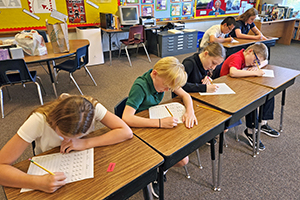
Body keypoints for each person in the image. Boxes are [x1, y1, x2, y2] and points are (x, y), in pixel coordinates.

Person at [0, 93, 133, 193]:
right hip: (48, 170)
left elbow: (126, 132)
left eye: (78, 136)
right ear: (54, 122)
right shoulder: (39, 120)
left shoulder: (90, 108)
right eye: (63, 136)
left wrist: (85, 143)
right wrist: (37, 182)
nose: (69, 141)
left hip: (81, 168)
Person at [122, 56, 198, 198]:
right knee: (180, 159)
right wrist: (160, 123)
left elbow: (186, 96)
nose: (168, 89)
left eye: (170, 87)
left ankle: (158, 172)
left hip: (156, 121)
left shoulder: (166, 78)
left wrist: (190, 111)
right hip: (141, 128)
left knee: (183, 159)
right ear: (155, 74)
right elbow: (126, 118)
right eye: (166, 87)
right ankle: (154, 174)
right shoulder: (140, 86)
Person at [220, 43, 280, 151]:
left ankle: (263, 123)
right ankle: (250, 131)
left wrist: (257, 66)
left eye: (257, 62)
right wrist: (256, 72)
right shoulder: (237, 57)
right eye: (255, 61)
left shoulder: (249, 57)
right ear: (250, 51)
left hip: (238, 86)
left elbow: (266, 61)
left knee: (268, 93)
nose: (255, 64)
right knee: (252, 100)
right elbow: (233, 72)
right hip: (226, 89)